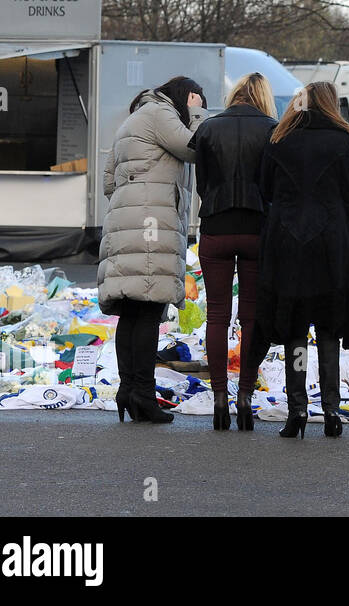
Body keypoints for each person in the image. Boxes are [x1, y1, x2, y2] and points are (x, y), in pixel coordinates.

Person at [256, 81, 349, 439]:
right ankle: (331, 411)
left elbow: (266, 190)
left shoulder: (279, 139)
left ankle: (296, 411)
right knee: (329, 327)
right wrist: (337, 220)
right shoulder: (344, 141)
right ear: (331, 104)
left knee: (295, 327)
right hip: (331, 244)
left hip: (288, 243)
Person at [98, 76, 207, 424]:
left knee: (131, 311)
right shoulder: (161, 114)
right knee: (148, 308)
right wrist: (196, 113)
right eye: (194, 101)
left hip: (127, 221)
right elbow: (194, 147)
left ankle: (128, 389)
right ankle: (142, 394)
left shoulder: (134, 118)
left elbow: (108, 181)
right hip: (151, 223)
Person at [188, 73, 278, 431]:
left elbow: (203, 185)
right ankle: (245, 396)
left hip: (216, 227)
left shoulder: (209, 128)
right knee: (252, 317)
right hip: (257, 228)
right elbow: (273, 185)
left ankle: (219, 398)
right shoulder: (272, 129)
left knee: (217, 316)